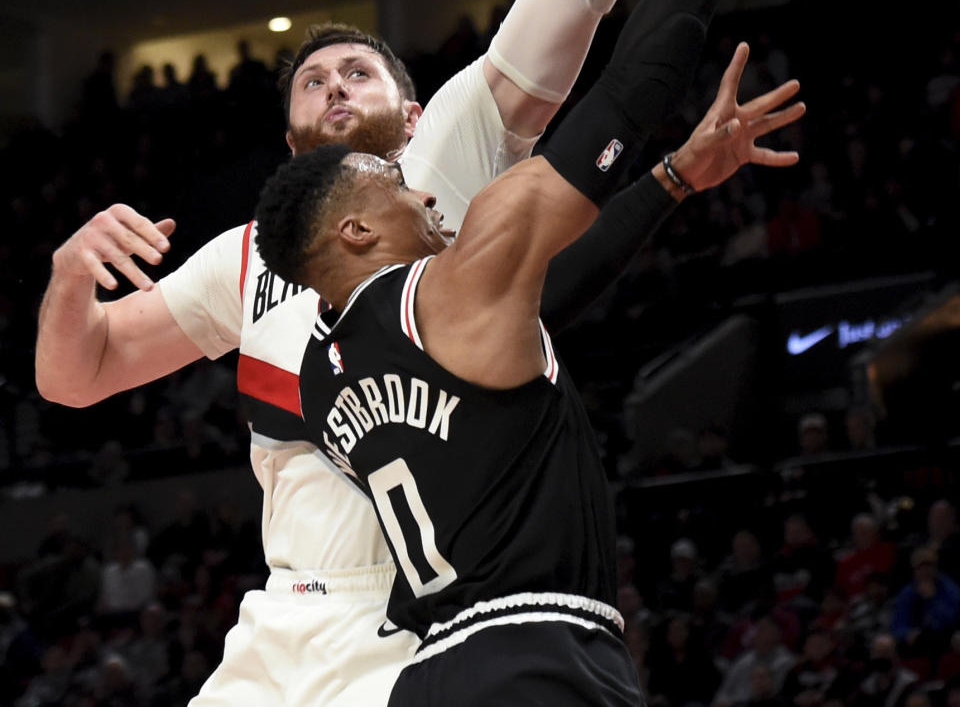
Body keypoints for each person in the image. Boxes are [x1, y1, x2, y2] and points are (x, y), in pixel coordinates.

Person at [34, 0, 805, 706]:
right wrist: (65, 276)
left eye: (360, 70)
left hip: (416, 619)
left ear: (408, 107)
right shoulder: (247, 256)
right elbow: (77, 374)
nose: (335, 82)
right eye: (312, 78)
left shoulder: (455, 143)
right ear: (296, 149)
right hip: (272, 623)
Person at [257, 35, 805, 705]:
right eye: (399, 186)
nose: (426, 197)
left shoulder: (317, 380)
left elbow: (558, 290)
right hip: (536, 652)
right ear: (356, 231)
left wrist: (674, 177)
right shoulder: (451, 289)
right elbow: (620, 99)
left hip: (428, 672)